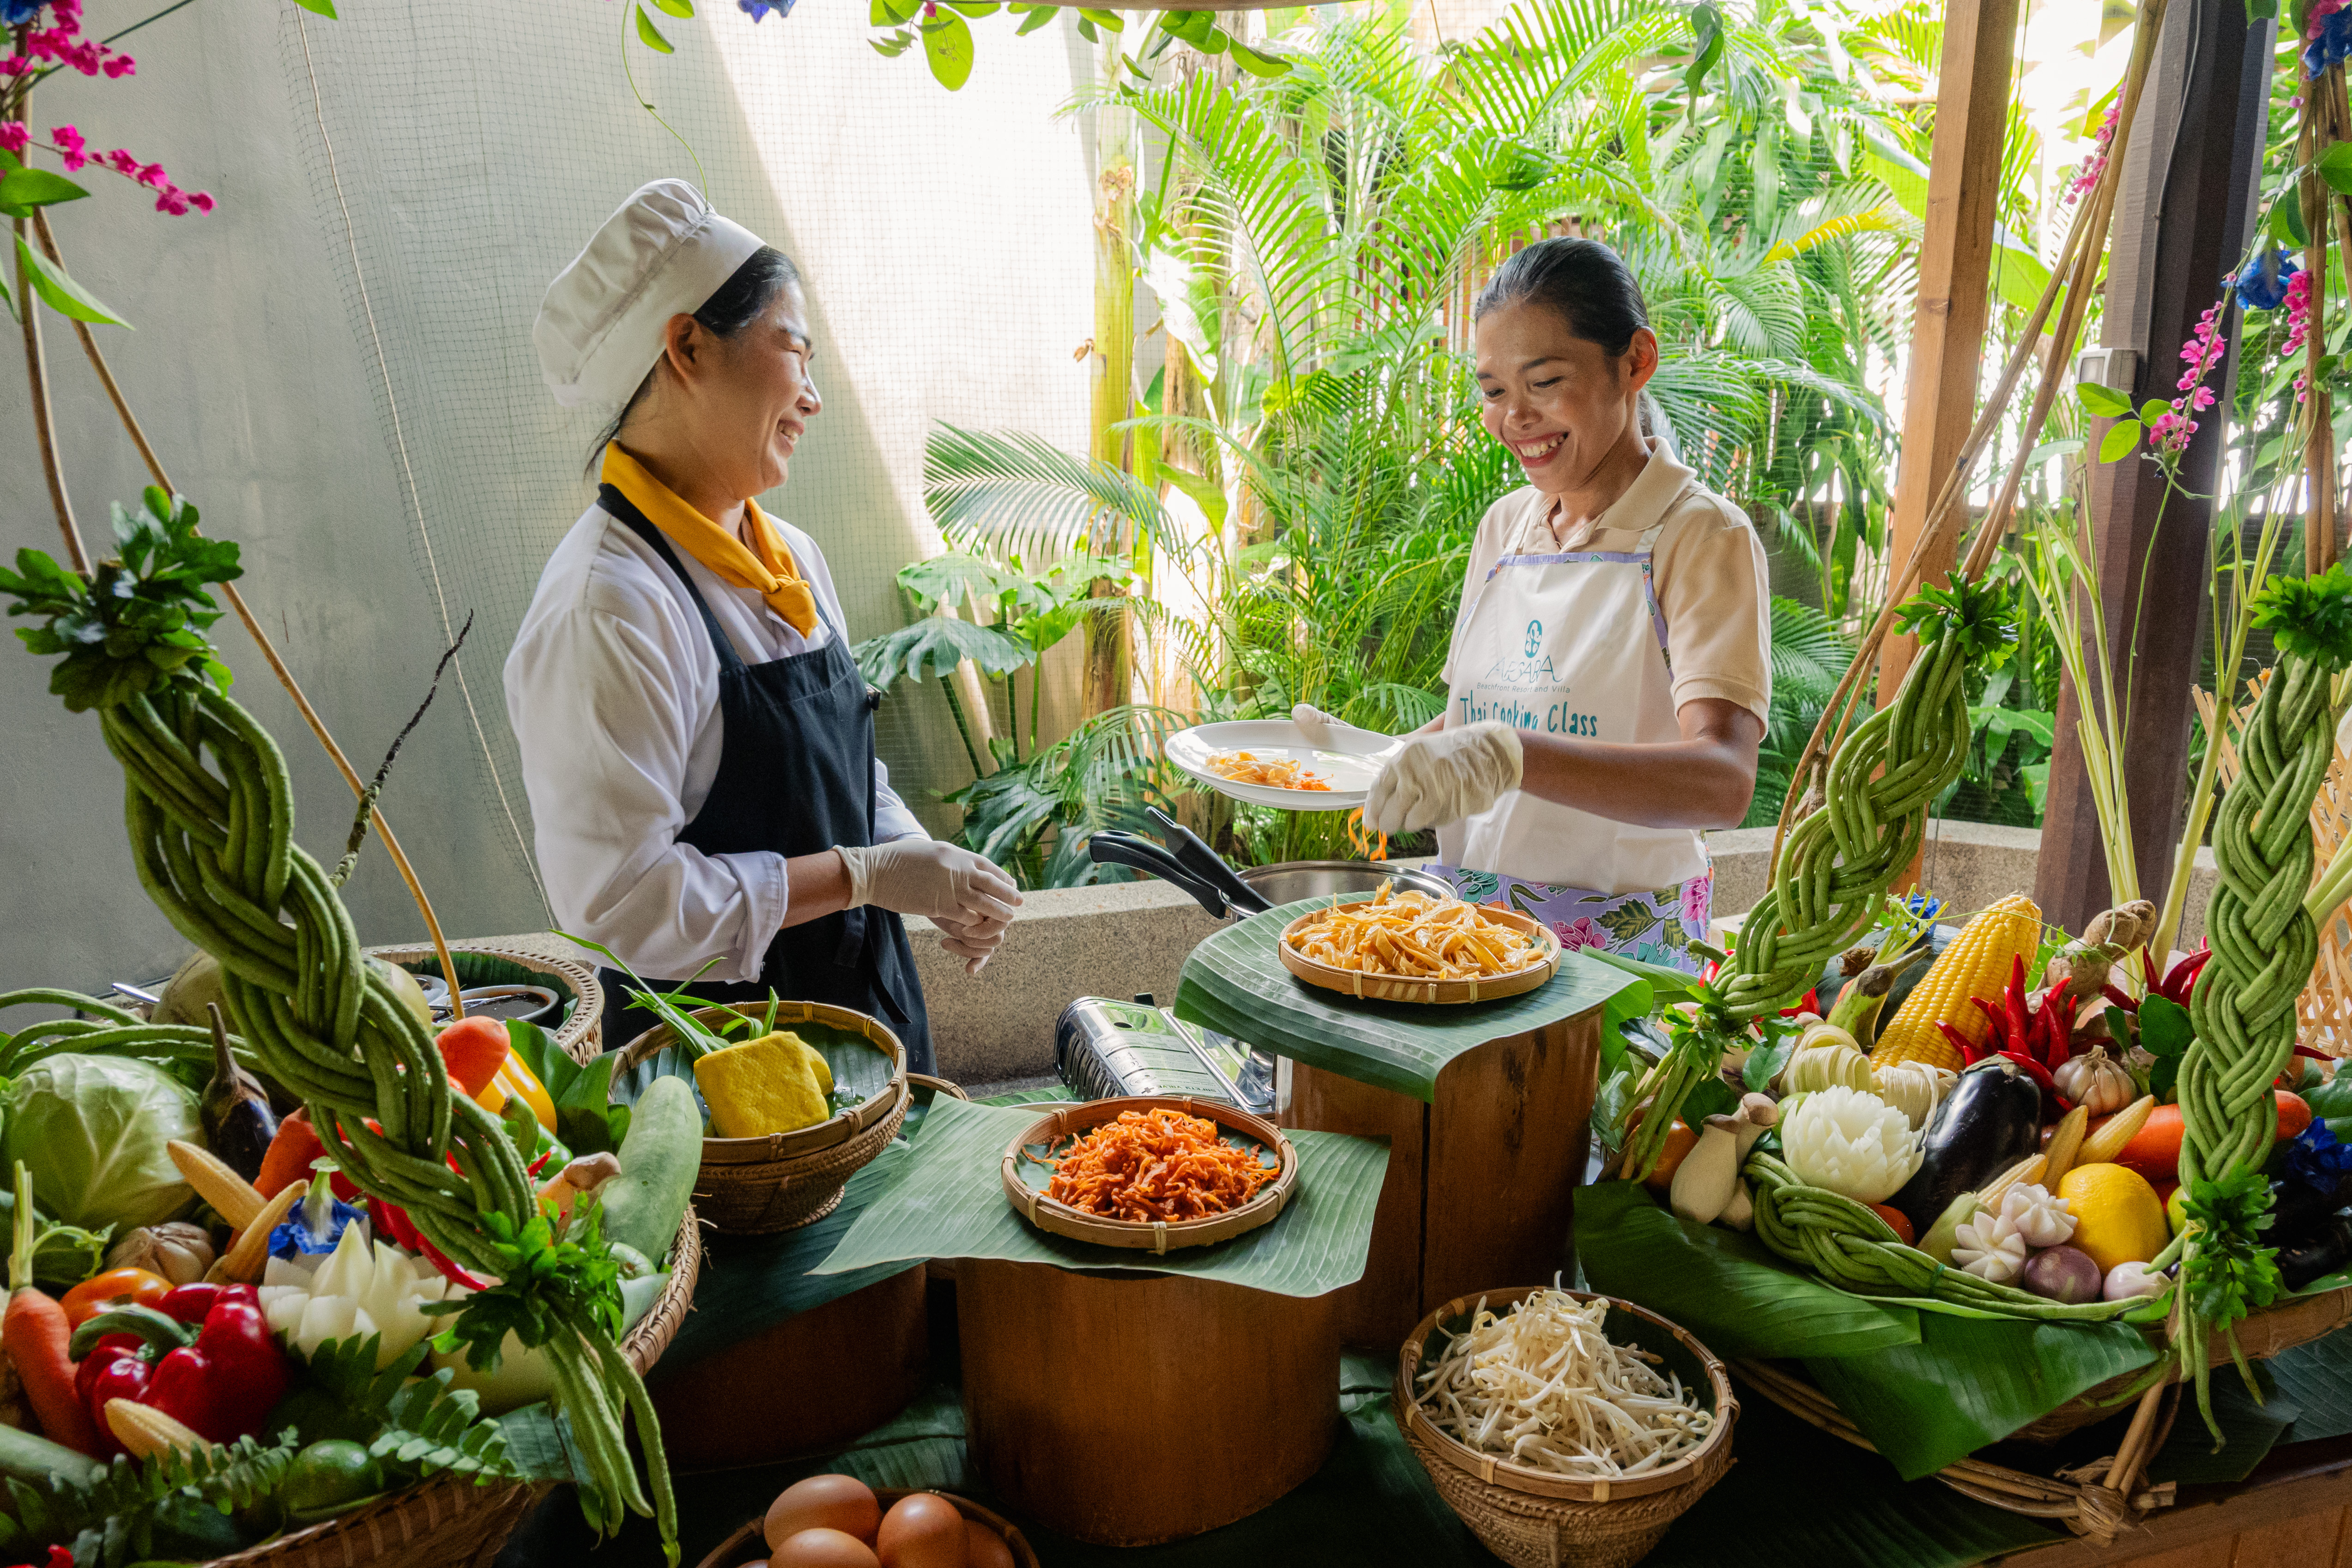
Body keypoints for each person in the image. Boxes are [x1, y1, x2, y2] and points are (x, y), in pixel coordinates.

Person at [506, 180, 1020, 1065]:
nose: (814, 397)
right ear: (687, 346)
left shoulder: (791, 556)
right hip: (723, 1081)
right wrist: (862, 877)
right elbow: (623, 912)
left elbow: (841, 773)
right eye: (794, 351)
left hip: (869, 1029)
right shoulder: (609, 609)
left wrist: (919, 865)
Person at [1348, 237, 1771, 970]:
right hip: (1467, 938)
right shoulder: (1505, 528)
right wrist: (1380, 763)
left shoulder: (1699, 535)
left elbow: (1723, 782)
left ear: (1635, 361)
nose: (1514, 416)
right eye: (1491, 390)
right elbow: (1483, 715)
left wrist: (1510, 756)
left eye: (1542, 381)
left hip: (1620, 955)